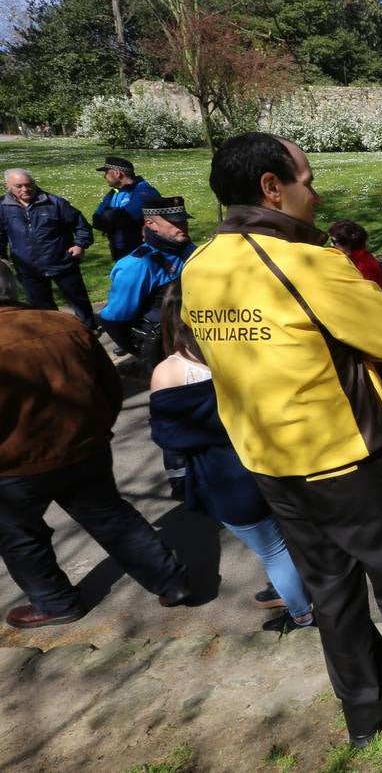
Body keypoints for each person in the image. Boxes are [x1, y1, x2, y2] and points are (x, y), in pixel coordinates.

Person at [180, 132, 382, 748]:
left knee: (331, 593)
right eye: (307, 180)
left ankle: (365, 707)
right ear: (273, 187)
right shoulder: (306, 262)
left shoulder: (198, 267)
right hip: (349, 459)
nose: (315, 196)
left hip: (272, 463)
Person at [0, 260, 191, 629]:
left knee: (20, 537)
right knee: (111, 516)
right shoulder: (64, 324)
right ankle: (170, 581)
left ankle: (55, 601)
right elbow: (109, 386)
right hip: (83, 448)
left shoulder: (62, 326)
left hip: (13, 467)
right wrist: (98, 429)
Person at [148, 281, 314, 633]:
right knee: (295, 537)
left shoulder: (171, 371)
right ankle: (314, 592)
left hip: (229, 477)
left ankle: (304, 613)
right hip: (279, 460)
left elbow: (169, 437)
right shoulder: (246, 348)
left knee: (273, 551)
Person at [99, 197, 196, 372]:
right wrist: (140, 351)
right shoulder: (138, 265)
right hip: (166, 350)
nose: (183, 226)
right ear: (151, 224)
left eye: (183, 220)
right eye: (175, 222)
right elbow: (113, 318)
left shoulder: (188, 249)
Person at [0, 168, 96, 328]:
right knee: (43, 308)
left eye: (28, 184)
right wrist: (2, 259)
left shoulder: (55, 202)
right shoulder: (2, 207)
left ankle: (89, 328)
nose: (25, 189)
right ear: (8, 186)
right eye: (19, 186)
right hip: (28, 267)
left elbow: (82, 226)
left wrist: (80, 244)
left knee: (78, 300)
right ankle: (55, 332)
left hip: (62, 261)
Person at [91, 155, 160, 261]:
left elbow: (125, 218)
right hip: (119, 250)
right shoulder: (114, 192)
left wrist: (109, 216)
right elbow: (96, 219)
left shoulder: (144, 191)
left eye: (106, 172)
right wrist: (112, 218)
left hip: (141, 254)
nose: (104, 176)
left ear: (117, 173)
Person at [329, 220, 382, 287]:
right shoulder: (353, 259)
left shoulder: (364, 267)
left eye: (334, 241)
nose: (331, 244)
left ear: (348, 243)